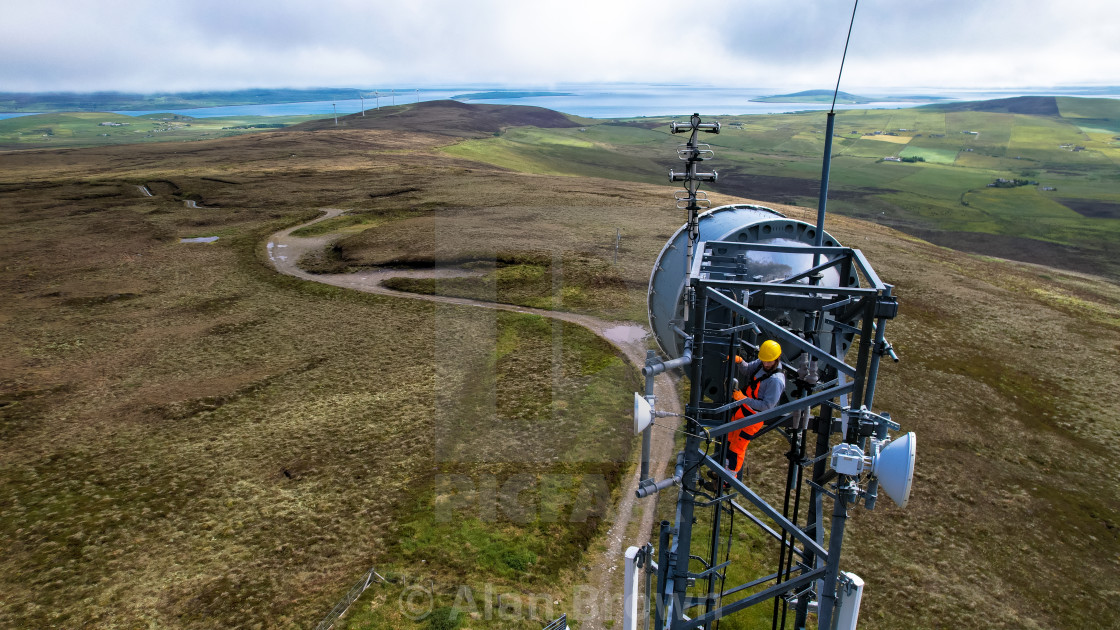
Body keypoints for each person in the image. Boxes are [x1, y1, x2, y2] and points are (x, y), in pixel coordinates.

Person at [725, 339, 787, 475]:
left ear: (777, 359)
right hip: (743, 410)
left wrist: (743, 399)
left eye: (769, 362)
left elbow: (766, 406)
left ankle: (727, 479)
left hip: (753, 418)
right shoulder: (762, 362)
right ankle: (723, 471)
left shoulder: (776, 381)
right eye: (764, 360)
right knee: (729, 441)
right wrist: (740, 362)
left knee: (737, 448)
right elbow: (748, 370)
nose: (765, 364)